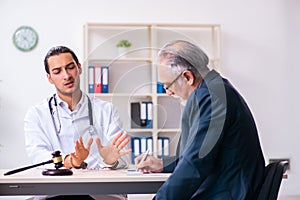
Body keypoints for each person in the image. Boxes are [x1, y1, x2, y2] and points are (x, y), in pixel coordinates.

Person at [135, 40, 265, 199]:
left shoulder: (212, 96)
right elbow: (199, 155)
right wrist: (163, 164)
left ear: (188, 77)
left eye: (167, 85)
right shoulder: (214, 89)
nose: (168, 92)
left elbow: (196, 162)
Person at [24, 46, 131, 200]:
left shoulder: (106, 110)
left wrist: (110, 161)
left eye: (70, 67)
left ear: (79, 68)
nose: (66, 75)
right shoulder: (36, 114)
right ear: (49, 78)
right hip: (54, 194)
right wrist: (70, 161)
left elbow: (123, 157)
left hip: (97, 194)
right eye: (57, 71)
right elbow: (38, 156)